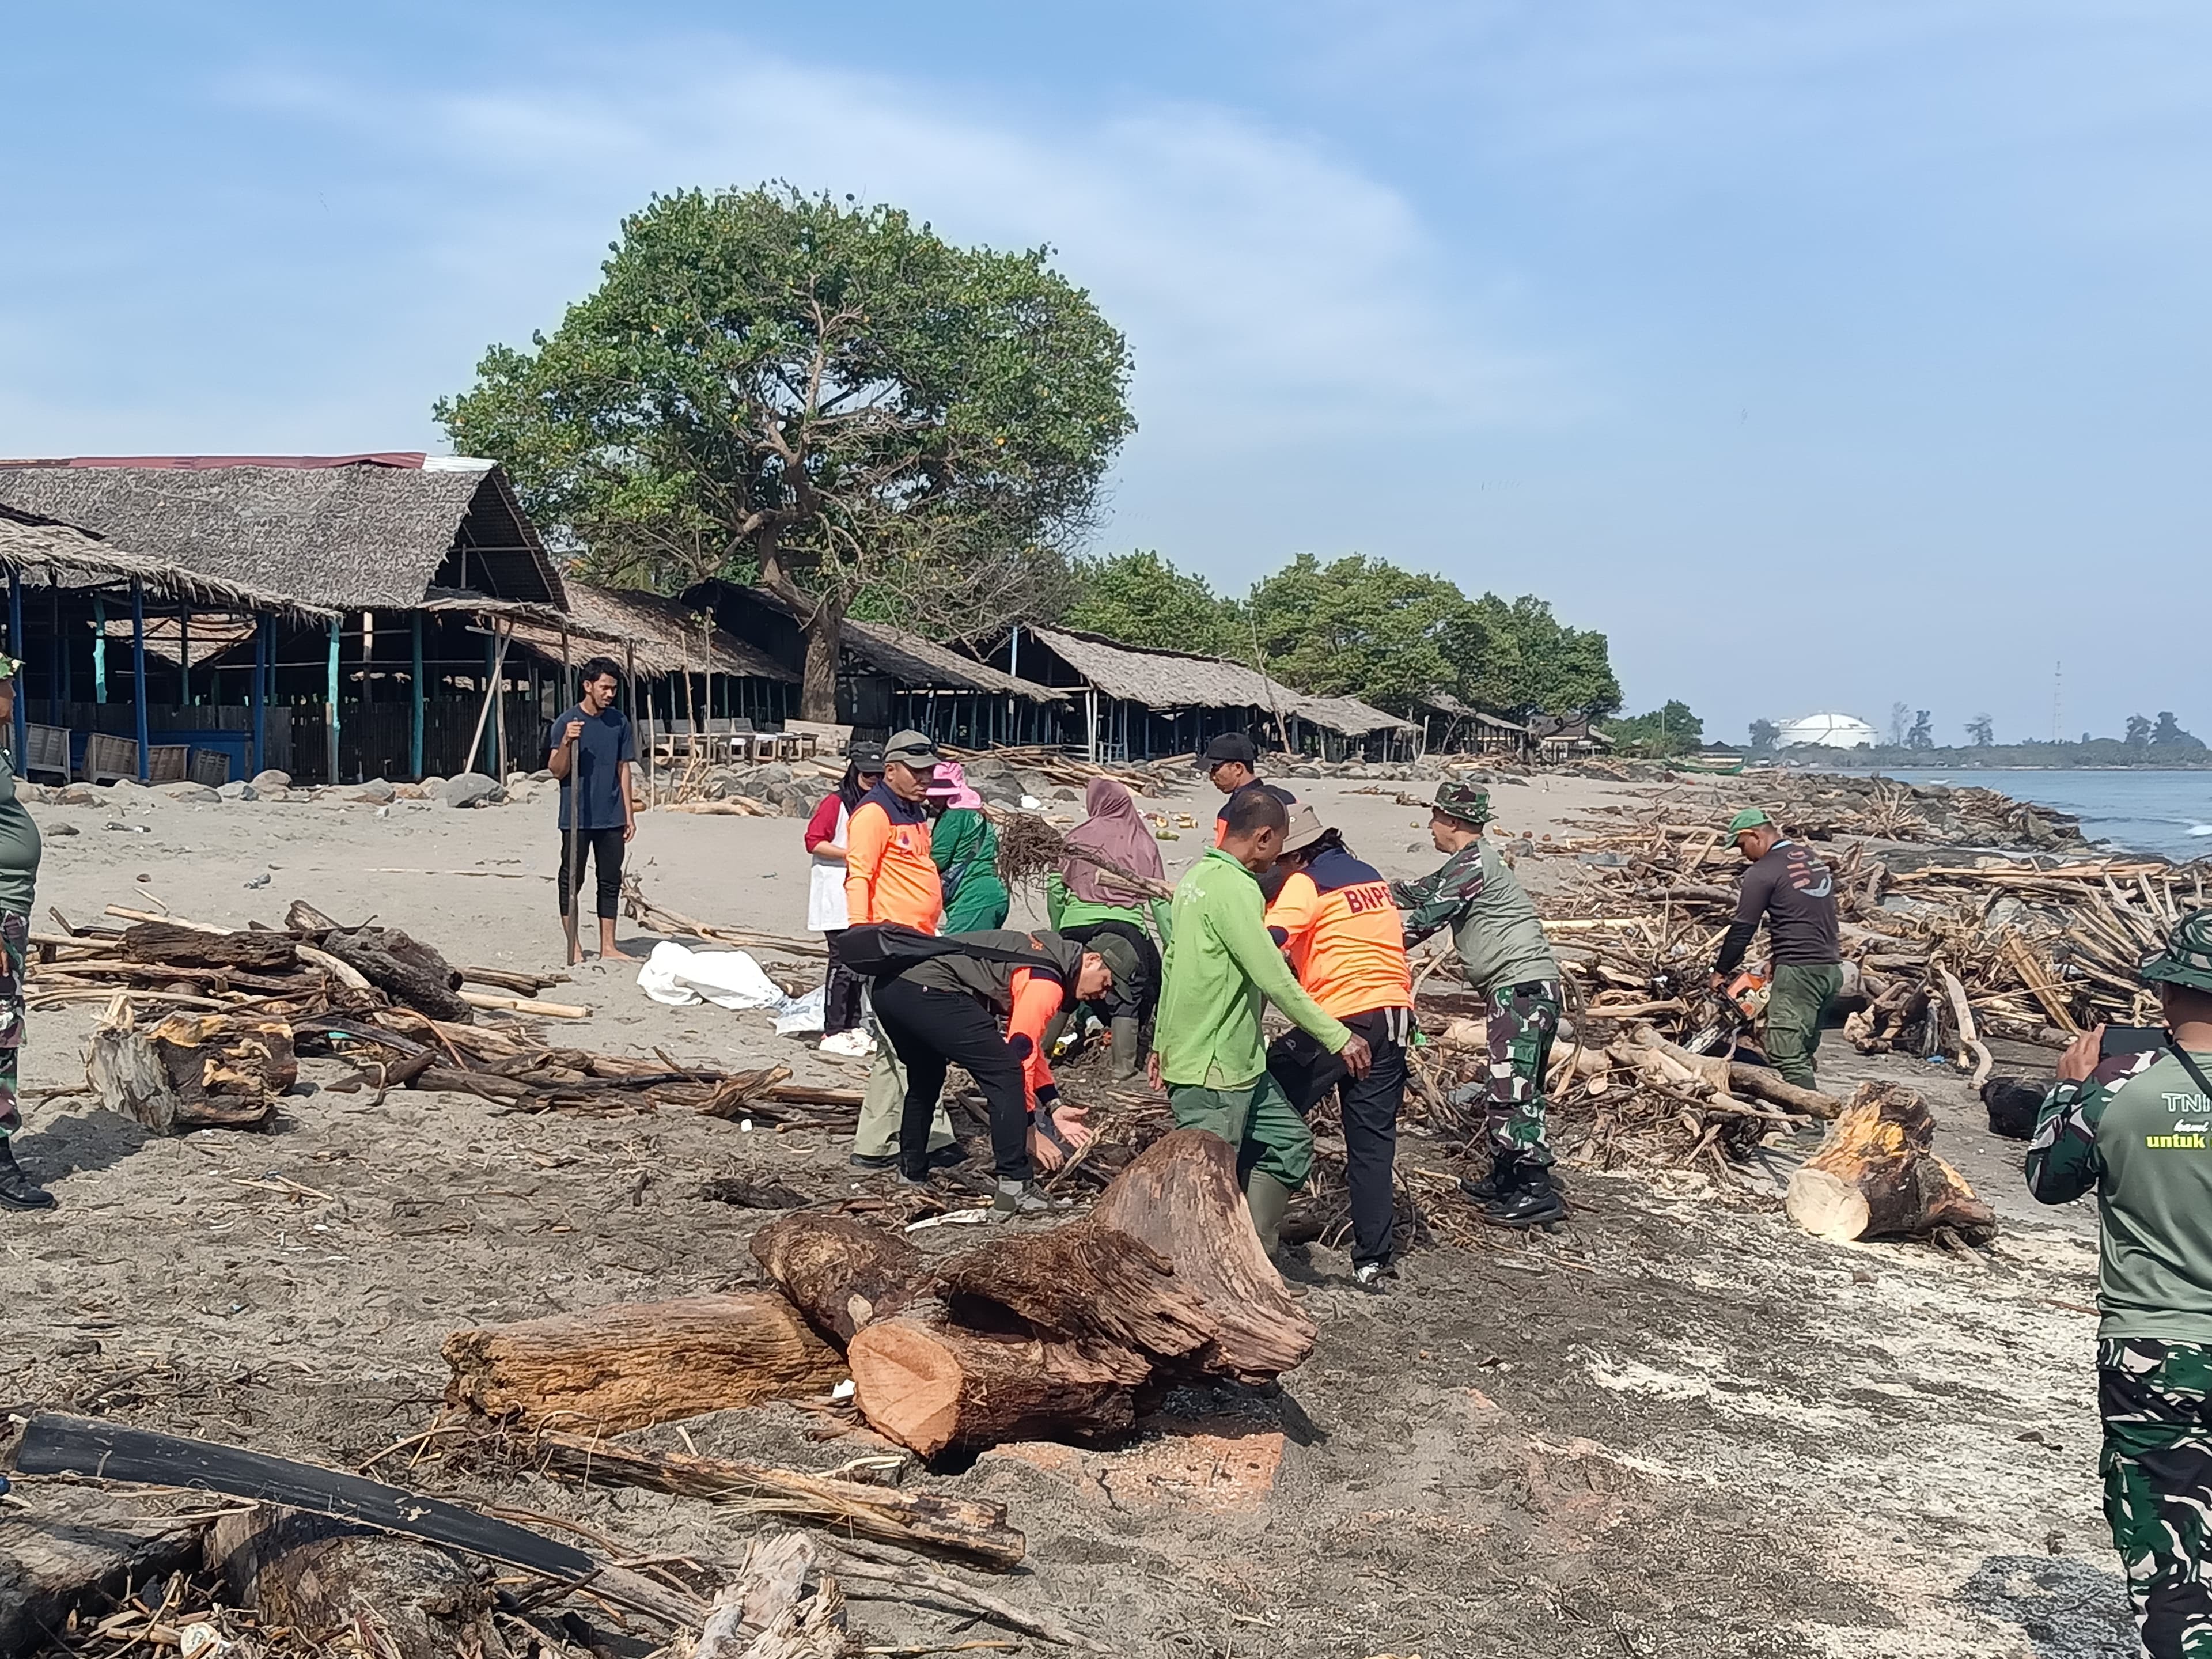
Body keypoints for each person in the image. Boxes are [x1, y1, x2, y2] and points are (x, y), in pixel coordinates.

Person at [2027, 912, 2212, 1658]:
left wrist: (2066, 1091)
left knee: (2172, 1560)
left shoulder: (2116, 1092)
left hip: (2153, 1349)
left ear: (2165, 994)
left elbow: (2047, 1180)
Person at [1150, 785, 1370, 1257]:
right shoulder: (1234, 888)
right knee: (1206, 1176)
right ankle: (1206, 1266)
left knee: (1289, 1143)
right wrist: (1338, 1036)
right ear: (1264, 838)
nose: (1281, 859)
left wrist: (1160, 1042)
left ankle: (1255, 1254)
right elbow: (1273, 976)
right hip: (1213, 1065)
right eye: (1281, 845)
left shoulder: (1194, 881)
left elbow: (1173, 968)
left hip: (1240, 1061)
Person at [1393, 783, 1566, 1228]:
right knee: (1516, 1085)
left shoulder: (1474, 864)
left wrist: (1380, 953)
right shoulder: (1468, 863)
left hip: (1521, 989)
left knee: (1512, 1090)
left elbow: (1429, 918)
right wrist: (1364, 891)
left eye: (1433, 818)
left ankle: (1534, 1188)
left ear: (1449, 821)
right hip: (1527, 988)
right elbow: (1419, 892)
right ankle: (1507, 1176)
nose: (1430, 827)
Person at [1264, 804, 1412, 1289]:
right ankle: (1373, 1261)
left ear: (1295, 855)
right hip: (1395, 1016)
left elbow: (1270, 940)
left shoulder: (1307, 884)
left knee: (1265, 1104)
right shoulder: (1370, 876)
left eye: (1280, 862)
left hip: (1342, 1015)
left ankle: (1250, 1226)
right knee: (1372, 1145)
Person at [876, 929, 1112, 1218]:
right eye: (1106, 983)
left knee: (927, 1077)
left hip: (890, 991)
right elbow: (1020, 1057)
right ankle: (1015, 1187)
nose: (1101, 994)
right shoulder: (1046, 983)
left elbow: (1026, 1043)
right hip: (931, 991)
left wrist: (1054, 1104)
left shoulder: (1041, 956)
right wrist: (1029, 1131)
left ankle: (911, 1174)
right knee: (1005, 1075)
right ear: (1092, 960)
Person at [846, 730, 957, 1170]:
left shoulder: (912, 813)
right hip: (890, 943)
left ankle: (874, 1143)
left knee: (894, 1046)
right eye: (917, 771)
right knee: (914, 1043)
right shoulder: (873, 815)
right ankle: (933, 1133)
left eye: (930, 770)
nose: (925, 778)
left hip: (920, 939)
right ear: (889, 770)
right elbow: (859, 876)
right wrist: (860, 935)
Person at [1047, 777, 1172, 1080]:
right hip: (1122, 930)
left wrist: (1059, 929)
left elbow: (1055, 888)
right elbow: (1158, 898)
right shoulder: (1140, 841)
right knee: (1127, 996)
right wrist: (1172, 945)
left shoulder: (1076, 837)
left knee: (1065, 992)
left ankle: (1039, 1056)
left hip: (1073, 928)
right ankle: (1123, 1070)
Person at [1712, 807, 1841, 1090]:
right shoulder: (1811, 859)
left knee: (1786, 1053)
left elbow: (1744, 927)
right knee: (1803, 1048)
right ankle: (1802, 1111)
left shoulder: (1763, 871)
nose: (1743, 854)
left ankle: (1808, 1126)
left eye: (1742, 845)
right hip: (1830, 967)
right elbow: (1808, 912)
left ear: (1755, 836)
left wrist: (1721, 971)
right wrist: (1776, 957)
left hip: (1799, 972)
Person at [546, 657, 637, 966]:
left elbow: (623, 769)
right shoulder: (566, 721)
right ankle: (574, 945)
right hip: (577, 815)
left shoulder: (619, 722)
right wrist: (568, 741)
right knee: (571, 879)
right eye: (605, 688)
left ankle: (608, 946)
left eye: (613, 688)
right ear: (588, 686)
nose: (610, 694)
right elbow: (557, 771)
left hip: (610, 814)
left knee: (609, 879)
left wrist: (629, 813)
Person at [0, 656, 50, 1213]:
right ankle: (1, 1165)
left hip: (10, 911)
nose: (13, 700)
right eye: (7, 688)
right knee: (0, 1035)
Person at [803, 740, 885, 1059]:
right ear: (854, 771)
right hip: (835, 893)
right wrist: (852, 855)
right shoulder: (835, 803)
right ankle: (834, 1026)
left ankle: (852, 1023)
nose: (873, 780)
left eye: (878, 774)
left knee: (859, 964)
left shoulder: (877, 807)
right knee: (840, 961)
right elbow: (813, 842)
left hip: (863, 898)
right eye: (867, 774)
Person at [926, 763, 1011, 933]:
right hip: (994, 892)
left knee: (954, 955)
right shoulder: (978, 814)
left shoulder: (953, 816)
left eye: (937, 795)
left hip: (971, 897)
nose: (932, 799)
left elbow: (938, 859)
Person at [1199, 733, 1295, 850]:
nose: (1212, 777)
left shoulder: (1231, 812)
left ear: (1238, 768)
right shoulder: (1287, 797)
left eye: (1215, 769)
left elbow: (1224, 857)